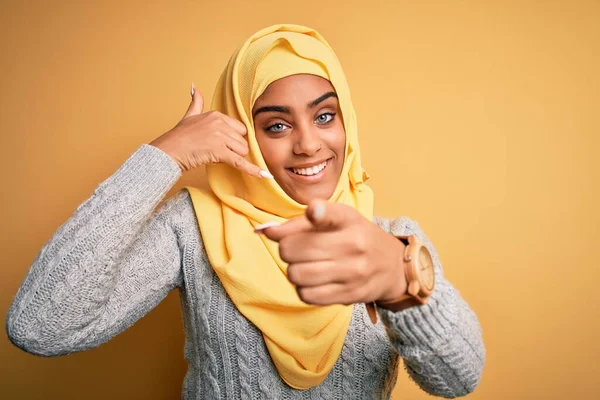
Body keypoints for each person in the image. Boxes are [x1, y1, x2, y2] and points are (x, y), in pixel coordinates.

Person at [6, 24, 485, 399]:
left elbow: (459, 377)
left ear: (347, 124)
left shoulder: (392, 241)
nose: (309, 143)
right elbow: (41, 326)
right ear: (246, 137)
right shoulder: (194, 229)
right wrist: (162, 158)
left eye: (324, 116)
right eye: (277, 125)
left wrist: (403, 286)